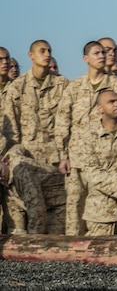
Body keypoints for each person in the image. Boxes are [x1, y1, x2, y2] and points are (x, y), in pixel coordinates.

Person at [57, 40, 117, 235]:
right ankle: (72, 247)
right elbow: (63, 119)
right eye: (96, 53)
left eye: (103, 53)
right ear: (86, 59)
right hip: (77, 156)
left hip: (104, 157)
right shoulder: (74, 87)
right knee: (74, 204)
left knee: (100, 205)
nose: (101, 56)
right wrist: (62, 154)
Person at [2, 40, 69, 234]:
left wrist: (65, 155)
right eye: (42, 51)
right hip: (27, 163)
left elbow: (68, 123)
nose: (47, 54)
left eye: (49, 50)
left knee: (57, 221)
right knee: (26, 216)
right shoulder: (18, 87)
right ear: (31, 55)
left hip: (55, 163)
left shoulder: (62, 84)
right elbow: (10, 132)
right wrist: (12, 168)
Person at [70, 89, 117, 236]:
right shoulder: (88, 135)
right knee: (99, 253)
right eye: (111, 102)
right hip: (100, 208)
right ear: (100, 109)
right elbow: (92, 172)